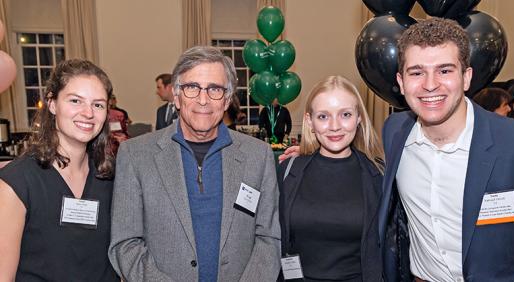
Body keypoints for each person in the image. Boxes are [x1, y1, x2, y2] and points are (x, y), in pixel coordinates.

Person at [108, 46, 281, 281]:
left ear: (227, 99)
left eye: (215, 89)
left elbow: (269, 238)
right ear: (177, 97)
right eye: (192, 88)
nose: (203, 99)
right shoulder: (136, 155)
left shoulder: (258, 156)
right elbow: (125, 243)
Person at [379, 18, 514, 281]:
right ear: (401, 81)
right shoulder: (394, 132)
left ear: (466, 77)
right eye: (416, 72)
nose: (430, 84)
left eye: (445, 70)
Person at [0, 59, 119, 281]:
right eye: (75, 101)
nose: (88, 113)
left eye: (98, 104)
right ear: (52, 104)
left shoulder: (111, 177)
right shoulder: (16, 182)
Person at [278, 75, 384, 281]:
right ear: (309, 121)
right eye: (323, 117)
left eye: (345, 114)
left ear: (359, 117)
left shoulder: (379, 175)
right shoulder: (289, 171)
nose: (335, 126)